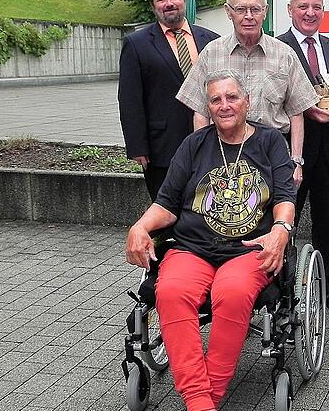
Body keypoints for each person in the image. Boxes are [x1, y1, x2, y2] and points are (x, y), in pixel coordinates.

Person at [125, 70, 296, 410]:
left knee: (230, 292)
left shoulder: (269, 141)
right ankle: (199, 401)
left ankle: (205, 399)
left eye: (232, 97)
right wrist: (140, 227)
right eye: (216, 100)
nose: (225, 105)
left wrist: (280, 230)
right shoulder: (195, 144)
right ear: (208, 106)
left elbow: (285, 196)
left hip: (248, 249)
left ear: (247, 102)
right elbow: (167, 203)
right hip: (192, 247)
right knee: (171, 292)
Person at [176, 0, 318, 186]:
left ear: (265, 11)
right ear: (228, 11)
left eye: (255, 9)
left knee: (277, 216)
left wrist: (296, 161)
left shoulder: (284, 54)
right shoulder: (211, 53)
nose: (249, 16)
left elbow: (296, 112)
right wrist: (202, 158)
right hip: (221, 154)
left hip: (271, 154)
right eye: (241, 9)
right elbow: (200, 111)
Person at [277, 0, 329, 312]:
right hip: (288, 153)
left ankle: (327, 289)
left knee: (325, 223)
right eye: (303, 6)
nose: (310, 13)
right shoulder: (277, 48)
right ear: (290, 10)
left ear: (324, 11)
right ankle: (283, 292)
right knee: (284, 221)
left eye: (316, 7)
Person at [118, 0, 219, 201]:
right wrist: (137, 146)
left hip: (211, 141)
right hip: (162, 147)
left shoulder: (212, 40)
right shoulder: (136, 44)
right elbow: (130, 100)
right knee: (166, 211)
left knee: (207, 208)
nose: (169, 3)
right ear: (153, 5)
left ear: (184, 0)